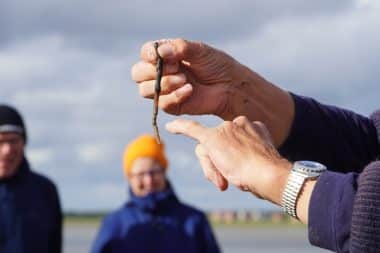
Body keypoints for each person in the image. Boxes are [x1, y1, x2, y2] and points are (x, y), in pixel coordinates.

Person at [131, 38, 380, 253]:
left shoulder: (191, 221)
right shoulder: (117, 225)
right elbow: (371, 145)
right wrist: (236, 92)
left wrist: (275, 177)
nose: (148, 180)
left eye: (152, 171)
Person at [91, 134, 220, 253]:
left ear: (164, 171)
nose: (149, 180)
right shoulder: (114, 224)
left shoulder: (194, 221)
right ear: (129, 178)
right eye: (140, 174)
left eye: (154, 172)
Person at [0, 104, 62, 253]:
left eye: (13, 141)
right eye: (0, 141)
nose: (7, 150)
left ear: (24, 143)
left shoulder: (45, 190)